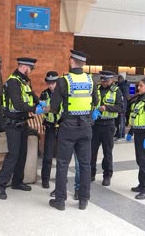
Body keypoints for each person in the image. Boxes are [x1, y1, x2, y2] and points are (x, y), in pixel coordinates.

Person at [47, 49, 99, 211]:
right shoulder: (91, 81)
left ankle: (60, 201)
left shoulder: (63, 81)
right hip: (85, 127)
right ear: (83, 64)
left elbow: (54, 108)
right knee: (85, 164)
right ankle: (83, 200)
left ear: (71, 61)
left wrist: (44, 107)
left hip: (68, 128)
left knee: (62, 164)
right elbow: (95, 102)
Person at [0, 57, 45, 200]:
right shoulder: (13, 82)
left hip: (22, 123)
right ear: (25, 67)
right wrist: (35, 109)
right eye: (31, 68)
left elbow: (31, 95)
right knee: (13, 155)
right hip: (12, 124)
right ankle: (0, 186)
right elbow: (17, 104)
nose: (31, 71)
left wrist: (40, 102)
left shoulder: (23, 81)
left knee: (22, 153)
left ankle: (17, 182)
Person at [91, 70, 124, 186]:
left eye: (106, 80)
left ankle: (107, 175)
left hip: (108, 125)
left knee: (107, 152)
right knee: (92, 151)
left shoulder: (116, 91)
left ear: (112, 80)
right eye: (102, 80)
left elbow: (121, 107)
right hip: (95, 124)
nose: (104, 82)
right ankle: (91, 173)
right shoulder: (96, 89)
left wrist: (106, 108)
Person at [40, 71, 59, 189]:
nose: (51, 85)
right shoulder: (44, 94)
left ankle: (60, 177)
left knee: (62, 155)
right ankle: (45, 179)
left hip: (62, 126)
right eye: (49, 83)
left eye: (53, 83)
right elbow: (42, 109)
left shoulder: (63, 94)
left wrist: (50, 109)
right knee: (47, 155)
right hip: (50, 126)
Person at [115, 74, 130, 141]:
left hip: (122, 106)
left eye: (120, 79)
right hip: (119, 106)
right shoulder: (119, 85)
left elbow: (126, 97)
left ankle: (121, 135)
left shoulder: (124, 86)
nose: (119, 80)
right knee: (118, 121)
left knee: (121, 121)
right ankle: (118, 133)